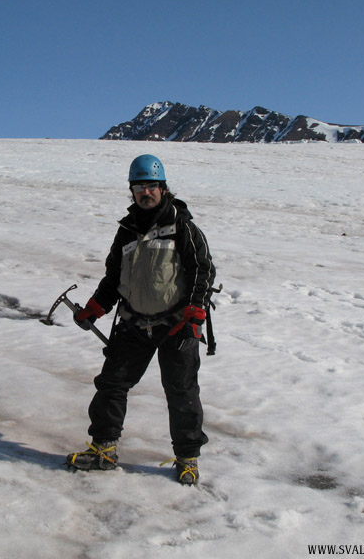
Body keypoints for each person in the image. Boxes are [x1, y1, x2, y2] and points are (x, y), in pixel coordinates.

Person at [66, 154, 216, 485]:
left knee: (181, 391)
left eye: (151, 186)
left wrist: (195, 310)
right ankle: (103, 448)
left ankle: (187, 458)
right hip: (134, 322)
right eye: (138, 187)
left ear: (163, 188)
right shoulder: (126, 231)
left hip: (177, 324)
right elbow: (113, 278)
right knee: (112, 384)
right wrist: (96, 306)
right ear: (131, 191)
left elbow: (202, 270)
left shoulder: (184, 228)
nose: (145, 192)